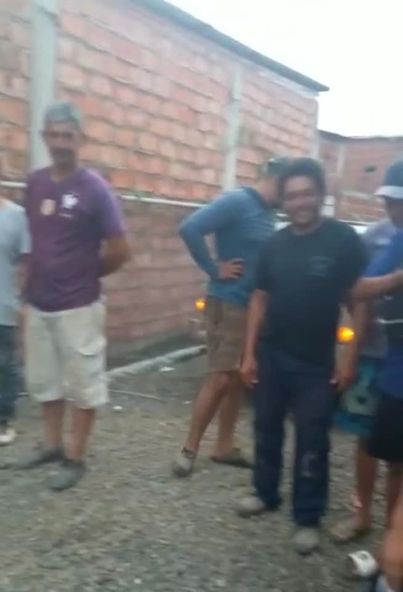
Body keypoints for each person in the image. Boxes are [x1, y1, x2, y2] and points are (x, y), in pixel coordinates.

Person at [238, 158, 368, 555]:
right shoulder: (274, 245)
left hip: (316, 362)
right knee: (266, 426)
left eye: (307, 193)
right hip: (272, 355)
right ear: (284, 200)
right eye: (292, 196)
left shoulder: (342, 240)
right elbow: (259, 299)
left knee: (312, 438)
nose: (300, 202)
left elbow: (359, 302)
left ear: (321, 195)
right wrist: (248, 354)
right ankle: (265, 492)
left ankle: (307, 516)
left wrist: (349, 359)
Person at [21, 102, 130, 490]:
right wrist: (26, 295)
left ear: (81, 139)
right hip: (39, 303)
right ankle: (51, 445)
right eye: (54, 135)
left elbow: (121, 250)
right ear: (44, 138)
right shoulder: (35, 183)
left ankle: (75, 457)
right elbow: (35, 242)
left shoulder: (95, 189)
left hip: (79, 306)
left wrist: (85, 275)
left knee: (83, 385)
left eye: (68, 136)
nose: (61, 143)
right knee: (46, 381)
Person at [173, 158, 289, 477]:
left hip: (251, 307)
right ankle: (188, 449)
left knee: (238, 377)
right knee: (221, 376)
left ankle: (224, 446)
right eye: (287, 188)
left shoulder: (267, 212)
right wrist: (214, 268)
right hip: (229, 302)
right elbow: (190, 228)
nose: (289, 197)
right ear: (276, 179)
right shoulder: (238, 201)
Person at [332, 163, 403, 543]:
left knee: (397, 456)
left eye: (399, 202)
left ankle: (394, 537)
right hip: (377, 355)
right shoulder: (379, 238)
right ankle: (362, 515)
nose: (393, 210)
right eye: (389, 201)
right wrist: (351, 356)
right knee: (365, 437)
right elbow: (356, 291)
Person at [0, 196, 30, 445]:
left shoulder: (17, 216)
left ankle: (4, 419)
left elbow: (28, 264)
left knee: (5, 363)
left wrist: (25, 300)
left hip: (4, 303)